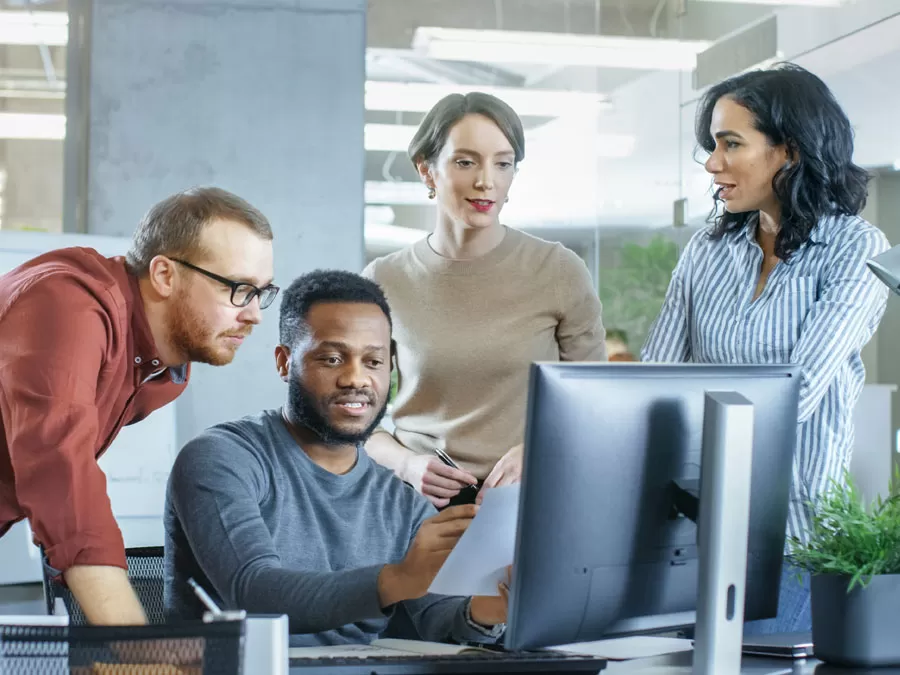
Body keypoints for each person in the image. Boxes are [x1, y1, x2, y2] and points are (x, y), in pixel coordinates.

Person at [642, 63, 890, 634]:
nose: (711, 163)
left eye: (731, 144)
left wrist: (685, 418)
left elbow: (790, 398)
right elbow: (654, 382)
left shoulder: (855, 249)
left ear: (790, 151)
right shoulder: (706, 251)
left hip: (796, 541)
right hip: (690, 533)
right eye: (712, 145)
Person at [164, 270, 508, 646]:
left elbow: (438, 620)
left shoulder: (404, 504)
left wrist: (493, 604)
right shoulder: (222, 459)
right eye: (331, 359)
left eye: (373, 362)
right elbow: (254, 592)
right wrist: (398, 578)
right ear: (284, 362)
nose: (356, 379)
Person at [0, 186, 278, 626]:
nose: (255, 314)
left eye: (262, 292)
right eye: (238, 289)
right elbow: (61, 471)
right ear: (165, 275)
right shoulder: (68, 304)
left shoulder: (159, 375)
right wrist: (140, 654)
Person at [363, 92, 607, 509]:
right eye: (465, 161)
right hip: (413, 508)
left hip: (528, 504)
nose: (486, 181)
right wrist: (407, 464)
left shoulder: (559, 270)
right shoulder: (382, 280)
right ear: (427, 169)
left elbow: (595, 401)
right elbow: (356, 419)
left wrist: (536, 451)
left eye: (503, 163)